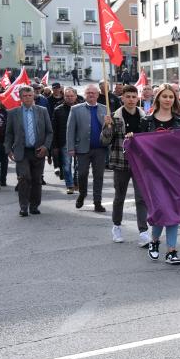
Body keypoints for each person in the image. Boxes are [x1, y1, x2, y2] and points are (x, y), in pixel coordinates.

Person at [140, 83, 180, 264]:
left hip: (175, 171)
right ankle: (154, 241)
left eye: (171, 97)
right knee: (162, 209)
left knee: (174, 210)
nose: (168, 100)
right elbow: (139, 147)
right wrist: (131, 138)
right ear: (158, 99)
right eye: (165, 96)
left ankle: (171, 251)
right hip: (154, 172)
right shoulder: (146, 121)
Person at [100, 84, 150, 247]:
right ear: (122, 98)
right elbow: (105, 141)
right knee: (119, 197)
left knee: (141, 198)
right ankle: (117, 227)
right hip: (121, 163)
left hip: (139, 163)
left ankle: (143, 232)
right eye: (127, 97)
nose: (130, 100)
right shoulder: (114, 117)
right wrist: (107, 127)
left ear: (138, 98)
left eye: (133, 97)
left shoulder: (145, 117)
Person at [3, 86, 53, 216]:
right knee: (24, 178)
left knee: (37, 180)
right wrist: (8, 149)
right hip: (22, 151)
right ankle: (24, 206)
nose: (27, 98)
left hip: (38, 151)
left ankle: (34, 205)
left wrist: (46, 147)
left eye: (30, 95)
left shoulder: (42, 111)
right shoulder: (13, 113)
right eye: (24, 96)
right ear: (20, 98)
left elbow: (49, 132)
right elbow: (8, 134)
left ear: (33, 96)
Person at [67, 84, 109, 212]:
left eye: (93, 93)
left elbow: (109, 131)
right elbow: (70, 130)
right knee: (82, 174)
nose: (91, 95)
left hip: (100, 148)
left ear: (98, 95)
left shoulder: (105, 108)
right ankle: (82, 193)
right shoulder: (75, 109)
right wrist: (70, 147)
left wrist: (109, 124)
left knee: (98, 176)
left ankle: (97, 202)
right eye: (88, 92)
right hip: (82, 148)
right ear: (85, 95)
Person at [51, 87, 78, 194]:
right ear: (64, 97)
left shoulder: (82, 108)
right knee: (66, 165)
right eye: (67, 96)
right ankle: (70, 185)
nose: (70, 98)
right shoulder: (58, 110)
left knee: (79, 166)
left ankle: (76, 182)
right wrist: (55, 145)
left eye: (72, 96)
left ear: (75, 96)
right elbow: (54, 129)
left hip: (80, 141)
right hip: (64, 141)